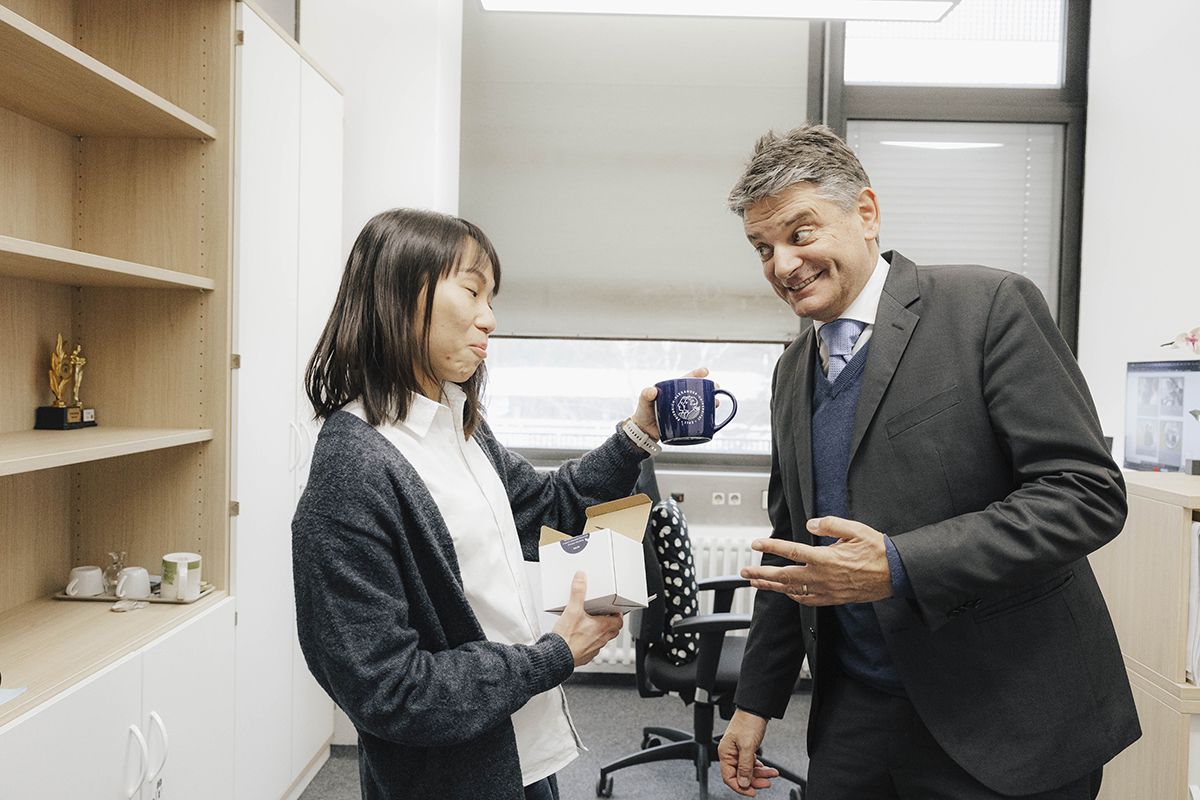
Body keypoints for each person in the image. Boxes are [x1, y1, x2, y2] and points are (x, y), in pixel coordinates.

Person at [716, 124, 1140, 799]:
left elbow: (1085, 493)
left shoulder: (988, 307)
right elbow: (792, 550)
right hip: (857, 717)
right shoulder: (791, 371)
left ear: (866, 213)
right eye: (761, 249)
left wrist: (900, 564)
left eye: (800, 235)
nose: (781, 265)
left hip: (1005, 716)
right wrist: (754, 700)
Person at [292, 208, 704, 800]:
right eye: (473, 291)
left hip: (525, 749)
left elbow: (549, 508)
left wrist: (638, 435)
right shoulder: (353, 472)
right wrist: (551, 657)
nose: (490, 318)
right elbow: (390, 690)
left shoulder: (460, 427)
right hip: (451, 779)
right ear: (401, 294)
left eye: (494, 297)